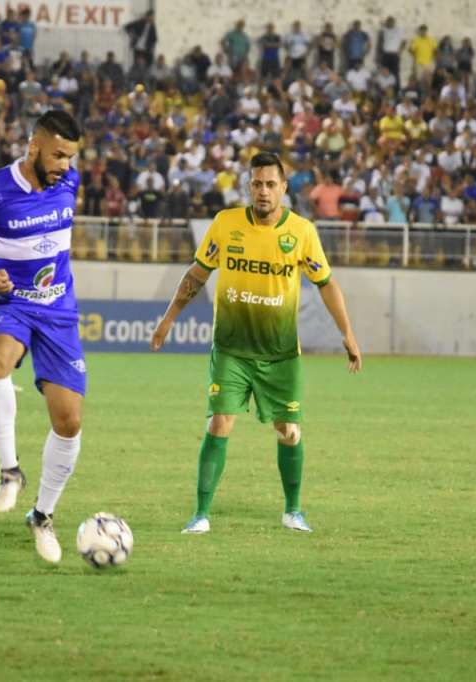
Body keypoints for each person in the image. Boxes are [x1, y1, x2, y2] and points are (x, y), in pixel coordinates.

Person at [150, 152, 362, 535]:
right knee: (219, 423)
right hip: (231, 348)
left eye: (270, 184)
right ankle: (200, 515)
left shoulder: (301, 232)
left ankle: (293, 511)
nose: (263, 191)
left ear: (284, 188)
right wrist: (168, 319)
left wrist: (346, 332)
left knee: (289, 431)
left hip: (279, 354)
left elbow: (326, 284)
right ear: (249, 187)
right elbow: (196, 275)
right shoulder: (225, 224)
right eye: (257, 184)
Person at [0, 110, 84, 564]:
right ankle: (10, 472)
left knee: (69, 422)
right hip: (11, 303)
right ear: (33, 147)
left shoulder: (69, 182)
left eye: (71, 156)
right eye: (58, 154)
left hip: (59, 311)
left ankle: (42, 515)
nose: (65, 165)